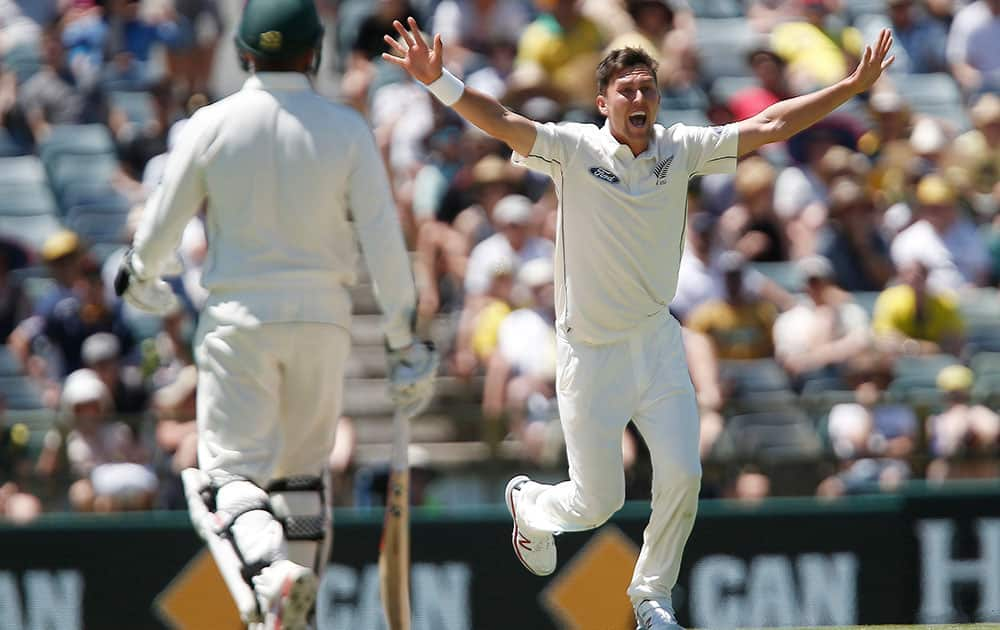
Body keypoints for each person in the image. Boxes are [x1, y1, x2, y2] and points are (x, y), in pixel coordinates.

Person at [384, 15, 895, 629]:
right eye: (626, 90)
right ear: (603, 102)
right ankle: (531, 504)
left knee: (683, 472)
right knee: (598, 502)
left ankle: (651, 598)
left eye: (648, 89)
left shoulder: (681, 149)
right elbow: (504, 122)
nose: (640, 99)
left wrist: (850, 86)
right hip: (589, 351)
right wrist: (440, 83)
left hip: (656, 342)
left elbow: (770, 124)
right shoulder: (574, 150)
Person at [112, 2, 438, 628]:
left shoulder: (211, 124)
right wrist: (404, 341)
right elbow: (384, 243)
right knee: (300, 479)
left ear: (243, 54)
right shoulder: (346, 129)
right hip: (325, 324)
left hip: (240, 321)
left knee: (225, 476)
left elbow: (157, 234)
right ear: (315, 54)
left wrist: (144, 277)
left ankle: (269, 572)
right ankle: (294, 611)